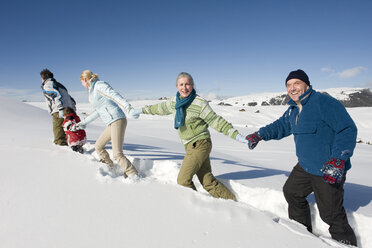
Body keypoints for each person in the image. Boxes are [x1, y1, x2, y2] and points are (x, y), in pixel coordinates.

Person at [245, 69, 357, 246]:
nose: (292, 88)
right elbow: (280, 126)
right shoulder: (293, 109)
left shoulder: (323, 102)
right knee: (292, 192)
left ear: (306, 84)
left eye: (296, 83)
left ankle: (346, 243)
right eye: (289, 85)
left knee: (330, 213)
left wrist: (338, 159)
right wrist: (260, 134)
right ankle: (302, 234)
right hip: (305, 165)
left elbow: (347, 129)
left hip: (327, 166)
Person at [133, 72, 248, 201]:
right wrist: (141, 110)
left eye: (187, 84)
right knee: (207, 181)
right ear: (177, 86)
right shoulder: (175, 102)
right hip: (191, 146)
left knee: (183, 180)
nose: (184, 87)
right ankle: (234, 205)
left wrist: (236, 135)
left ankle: (197, 207)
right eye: (181, 84)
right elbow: (159, 108)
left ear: (192, 86)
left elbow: (216, 121)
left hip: (200, 144)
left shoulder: (199, 103)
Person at [76, 70, 139, 178]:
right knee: (99, 146)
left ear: (85, 79)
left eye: (81, 82)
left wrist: (128, 108)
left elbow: (114, 95)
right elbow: (98, 111)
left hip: (117, 119)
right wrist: (84, 123)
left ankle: (132, 173)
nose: (82, 85)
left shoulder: (99, 85)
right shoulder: (93, 91)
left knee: (117, 153)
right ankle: (108, 165)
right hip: (111, 123)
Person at [40, 69, 76, 146]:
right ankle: (72, 144)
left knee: (58, 132)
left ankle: (61, 149)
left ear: (43, 77)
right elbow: (71, 99)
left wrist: (60, 108)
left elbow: (55, 94)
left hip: (59, 110)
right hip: (68, 110)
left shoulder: (48, 84)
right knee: (67, 129)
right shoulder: (60, 85)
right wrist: (73, 110)